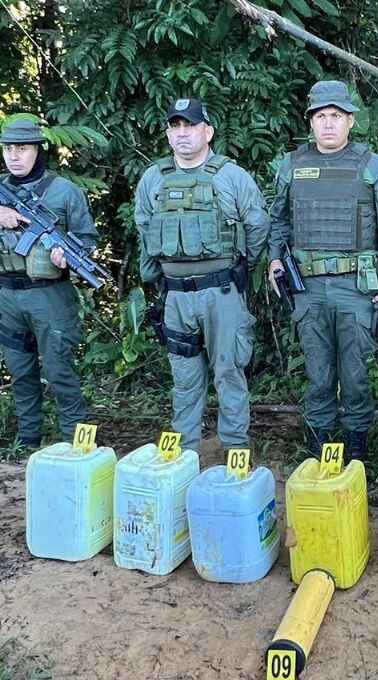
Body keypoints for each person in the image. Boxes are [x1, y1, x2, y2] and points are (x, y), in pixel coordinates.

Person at [267, 80, 378, 464]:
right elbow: (278, 220)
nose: (328, 123)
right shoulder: (292, 165)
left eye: (336, 115)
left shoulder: (371, 166)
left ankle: (357, 447)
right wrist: (274, 259)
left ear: (350, 120)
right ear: (310, 122)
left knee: (355, 374)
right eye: (320, 116)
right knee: (317, 372)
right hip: (307, 288)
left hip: (356, 287)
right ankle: (317, 446)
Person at [134, 98, 270, 453]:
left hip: (221, 293)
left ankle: (235, 451)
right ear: (168, 134)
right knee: (184, 379)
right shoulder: (153, 179)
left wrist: (241, 268)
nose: (182, 133)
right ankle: (185, 453)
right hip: (175, 297)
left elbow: (257, 225)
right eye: (175, 126)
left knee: (229, 372)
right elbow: (144, 228)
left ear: (207, 132)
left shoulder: (231, 176)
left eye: (190, 125)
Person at [0, 119, 97, 447]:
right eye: (8, 149)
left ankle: (78, 446)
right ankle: (28, 441)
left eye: (22, 148)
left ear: (38, 150)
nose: (14, 156)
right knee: (20, 371)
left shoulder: (64, 191)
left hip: (50, 296)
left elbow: (88, 239)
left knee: (60, 372)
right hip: (9, 295)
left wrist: (68, 255)